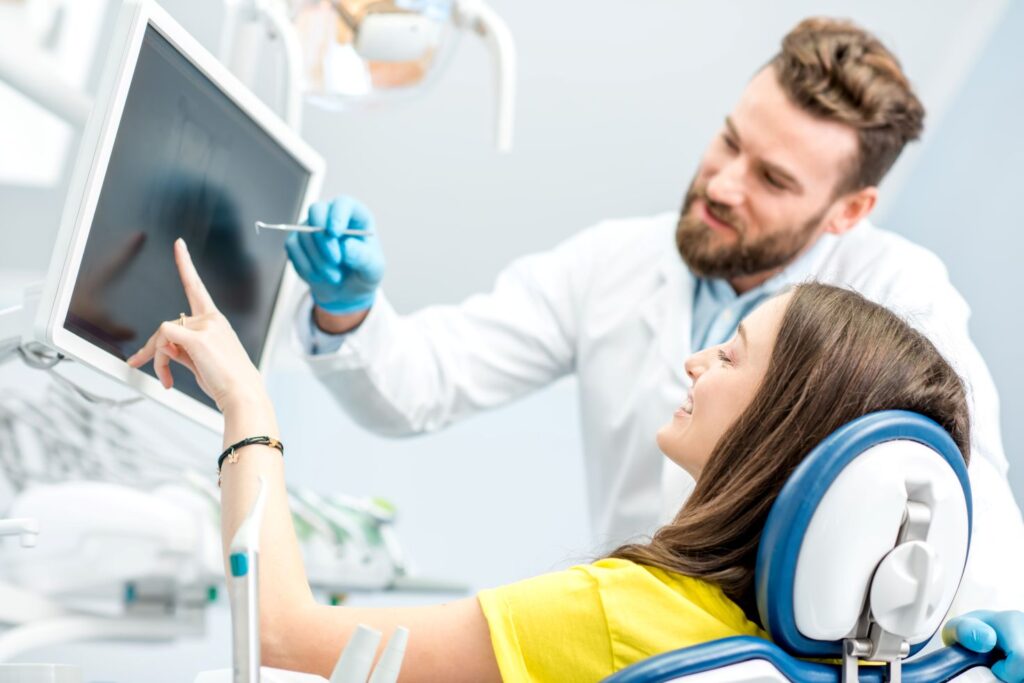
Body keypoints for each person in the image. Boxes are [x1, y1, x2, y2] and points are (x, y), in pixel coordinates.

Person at [283, 17, 1024, 624]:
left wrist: (1001, 619)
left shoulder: (899, 294)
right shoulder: (614, 263)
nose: (723, 184)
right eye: (730, 141)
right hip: (631, 629)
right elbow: (423, 383)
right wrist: (348, 311)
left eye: (772, 179)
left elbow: (966, 492)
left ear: (849, 210)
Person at [128, 240, 1024, 682]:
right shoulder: (819, 661)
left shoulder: (622, 609)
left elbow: (280, 631)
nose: (694, 361)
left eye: (731, 354)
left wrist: (245, 400)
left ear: (779, 429)